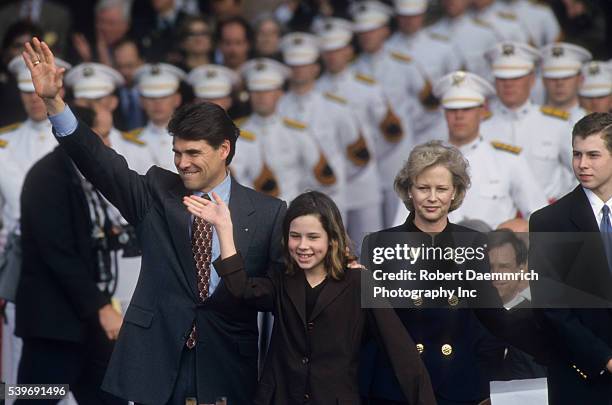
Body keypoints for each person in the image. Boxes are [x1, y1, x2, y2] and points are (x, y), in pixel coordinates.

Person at [22, 37, 286, 405]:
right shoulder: (158, 193)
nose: (182, 163)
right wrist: (54, 102)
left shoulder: (269, 213)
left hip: (227, 364)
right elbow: (99, 161)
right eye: (177, 152)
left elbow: (275, 296)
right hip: (159, 361)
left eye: (194, 153)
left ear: (224, 149)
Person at [183, 190, 436, 404]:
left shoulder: (359, 282)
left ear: (332, 239)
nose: (302, 246)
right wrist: (224, 229)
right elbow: (240, 289)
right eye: (295, 236)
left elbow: (402, 354)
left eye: (313, 237)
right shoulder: (282, 279)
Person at [361, 141, 547, 404]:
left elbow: (494, 318)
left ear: (455, 193)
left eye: (442, 189)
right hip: (398, 386)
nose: (432, 197)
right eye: (423, 188)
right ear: (409, 191)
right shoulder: (379, 244)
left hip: (457, 386)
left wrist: (563, 344)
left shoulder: (473, 243)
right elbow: (369, 329)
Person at [15, 105, 126, 405]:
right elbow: (58, 254)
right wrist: (102, 309)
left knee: (110, 398)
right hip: (54, 328)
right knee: (33, 398)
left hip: (88, 325)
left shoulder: (86, 176)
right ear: (82, 138)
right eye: (103, 136)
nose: (110, 145)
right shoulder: (47, 178)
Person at [393, 70, 547, 229]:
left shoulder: (508, 161)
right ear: (444, 113)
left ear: (482, 111)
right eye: (452, 109)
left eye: (467, 109)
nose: (459, 116)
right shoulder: (422, 166)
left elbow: (541, 217)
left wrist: (516, 235)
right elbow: (401, 228)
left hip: (493, 250)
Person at [529, 112, 612, 404]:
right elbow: (551, 307)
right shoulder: (549, 221)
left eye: (593, 155)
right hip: (580, 378)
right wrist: (604, 358)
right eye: (577, 154)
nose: (582, 164)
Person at [313, 17, 383, 252]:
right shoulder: (315, 92)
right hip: (331, 184)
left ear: (349, 51)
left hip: (365, 178)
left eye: (338, 50)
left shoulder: (368, 86)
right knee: (335, 252)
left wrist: (370, 163)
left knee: (371, 251)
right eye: (328, 51)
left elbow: (384, 135)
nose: (333, 56)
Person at [481, 41, 575, 202]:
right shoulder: (481, 127)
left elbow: (581, 173)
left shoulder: (557, 124)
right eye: (502, 78)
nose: (508, 84)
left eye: (516, 77)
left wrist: (561, 207)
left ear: (531, 79)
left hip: (547, 219)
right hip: (497, 221)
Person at [231, 57, 320, 203]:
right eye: (256, 91)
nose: (261, 97)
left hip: (292, 209)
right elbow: (234, 177)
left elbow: (315, 174)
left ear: (279, 93)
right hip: (253, 210)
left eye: (267, 91)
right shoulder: (236, 133)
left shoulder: (297, 131)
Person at [487, 229, 548, 381]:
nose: (495, 274)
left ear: (521, 269)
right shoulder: (467, 317)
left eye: (504, 266)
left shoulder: (541, 320)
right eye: (489, 266)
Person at [133, 63, 186, 172]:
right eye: (151, 98)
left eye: (164, 97)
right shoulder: (131, 141)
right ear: (141, 101)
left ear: (177, 99)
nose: (157, 103)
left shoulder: (192, 136)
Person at [540, 42, 592, 126]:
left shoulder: (592, 123)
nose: (559, 83)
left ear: (580, 79)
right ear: (544, 81)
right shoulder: (529, 122)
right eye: (553, 78)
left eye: (566, 77)